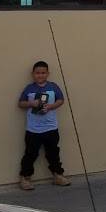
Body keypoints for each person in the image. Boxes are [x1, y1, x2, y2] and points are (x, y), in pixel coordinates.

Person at [17, 60, 70, 190]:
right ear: (33, 74)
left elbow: (61, 100)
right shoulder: (29, 88)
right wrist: (31, 103)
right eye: (37, 73)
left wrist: (51, 106)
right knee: (30, 154)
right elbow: (20, 103)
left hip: (51, 127)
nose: (40, 75)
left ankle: (58, 176)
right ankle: (25, 178)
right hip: (33, 129)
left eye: (43, 73)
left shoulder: (53, 86)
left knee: (53, 153)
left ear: (47, 73)